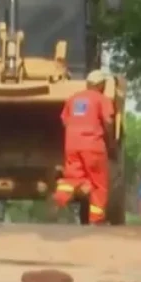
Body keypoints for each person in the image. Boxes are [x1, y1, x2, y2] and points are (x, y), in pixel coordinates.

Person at [52, 69, 115, 225]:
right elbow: (108, 121)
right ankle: (97, 219)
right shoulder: (101, 99)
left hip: (72, 146)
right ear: (100, 85)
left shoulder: (73, 99)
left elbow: (64, 121)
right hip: (93, 146)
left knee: (72, 178)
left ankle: (59, 198)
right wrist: (110, 141)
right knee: (99, 184)